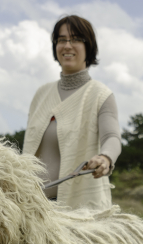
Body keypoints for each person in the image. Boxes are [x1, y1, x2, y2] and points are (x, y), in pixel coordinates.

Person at [22, 15, 121, 210]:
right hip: (33, 209)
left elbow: (112, 137)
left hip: (81, 213)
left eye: (76, 39)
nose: (67, 45)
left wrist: (105, 158)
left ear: (88, 47)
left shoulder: (100, 95)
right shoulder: (41, 94)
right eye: (61, 40)